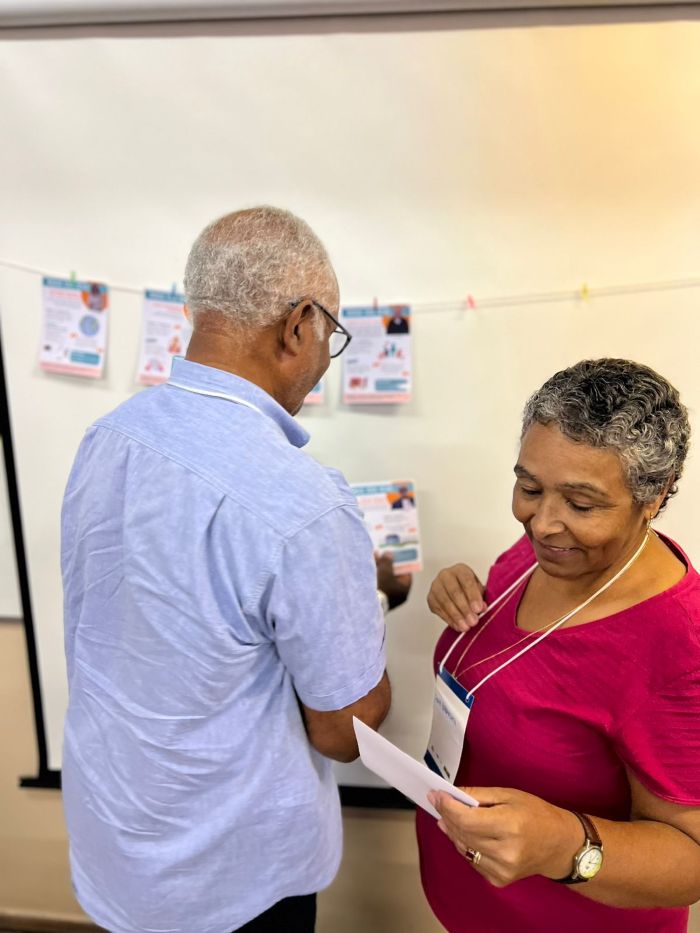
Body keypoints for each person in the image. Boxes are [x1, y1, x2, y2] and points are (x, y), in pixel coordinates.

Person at [61, 207, 410, 933]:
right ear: (299, 325)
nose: (325, 358)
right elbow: (345, 731)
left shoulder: (107, 436)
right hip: (233, 882)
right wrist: (370, 605)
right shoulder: (304, 503)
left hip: (117, 846)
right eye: (331, 334)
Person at [418, 359, 700, 933]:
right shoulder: (545, 556)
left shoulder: (678, 648)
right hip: (470, 901)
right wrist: (456, 592)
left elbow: (692, 858)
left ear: (654, 496)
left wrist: (565, 845)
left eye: (581, 504)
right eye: (529, 487)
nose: (542, 523)